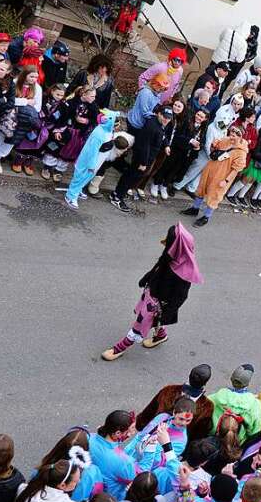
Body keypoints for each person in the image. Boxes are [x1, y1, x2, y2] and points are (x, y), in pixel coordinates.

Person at [102, 223, 203, 360]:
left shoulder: (184, 271)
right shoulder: (171, 256)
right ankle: (160, 335)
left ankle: (121, 347)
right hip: (152, 293)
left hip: (159, 305)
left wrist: (167, 313)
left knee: (141, 324)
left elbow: (180, 296)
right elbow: (158, 267)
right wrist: (146, 278)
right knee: (154, 321)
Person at [182, 123, 249, 227]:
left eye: (235, 134)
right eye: (231, 132)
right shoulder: (225, 140)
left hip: (222, 176)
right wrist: (213, 146)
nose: (232, 136)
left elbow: (236, 170)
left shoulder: (241, 152)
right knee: (201, 189)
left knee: (214, 196)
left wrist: (226, 181)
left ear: (240, 136)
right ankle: (194, 209)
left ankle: (206, 217)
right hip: (210, 168)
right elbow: (214, 151)